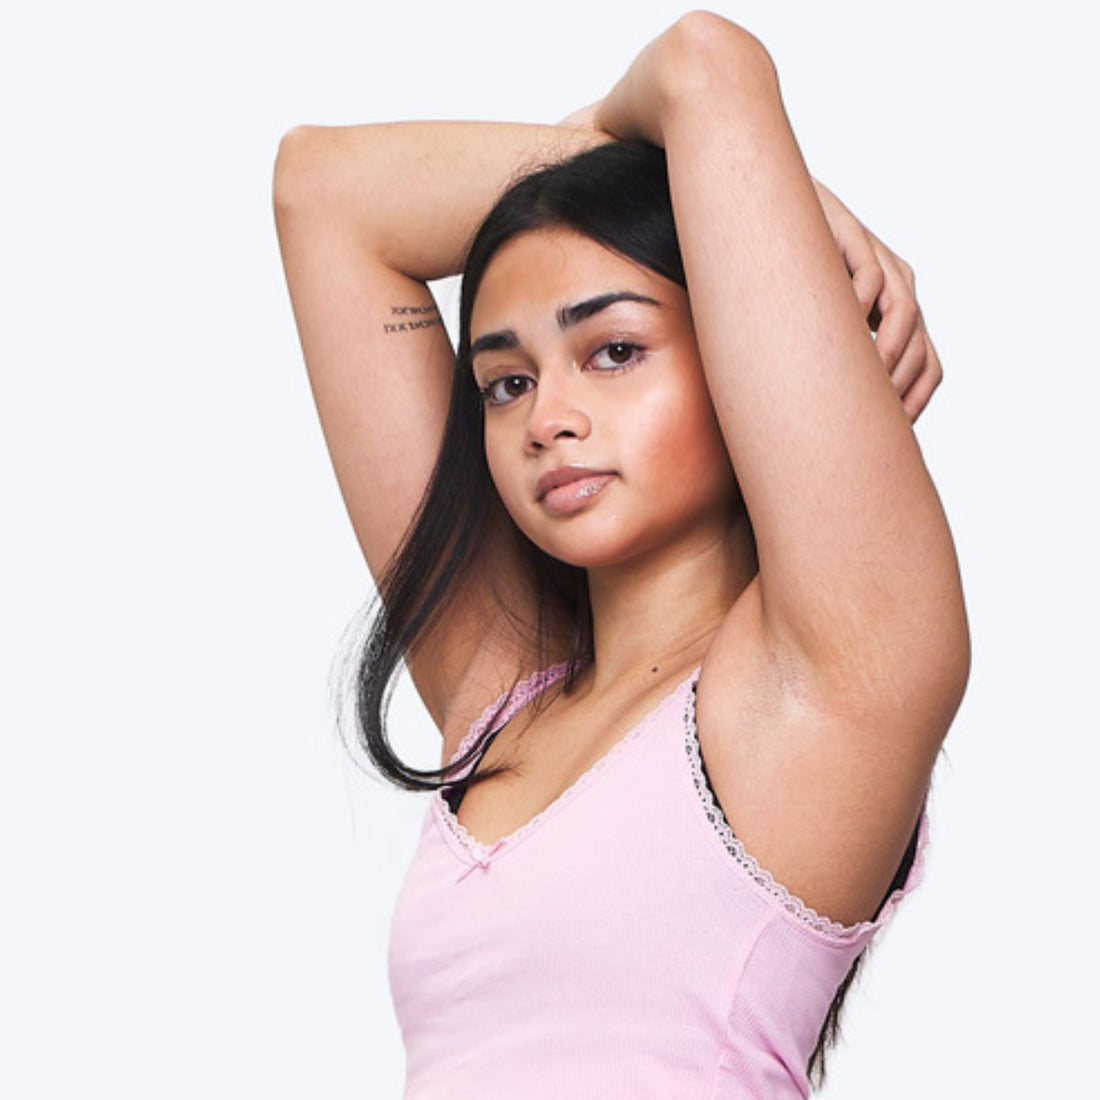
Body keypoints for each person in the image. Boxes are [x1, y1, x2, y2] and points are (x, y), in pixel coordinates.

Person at [272, 11, 969, 1097]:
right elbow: (322, 193)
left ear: (744, 339)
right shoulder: (503, 698)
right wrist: (668, 174)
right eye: (506, 381)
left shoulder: (828, 683)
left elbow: (705, 66)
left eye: (612, 351)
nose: (547, 417)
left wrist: (750, 203)